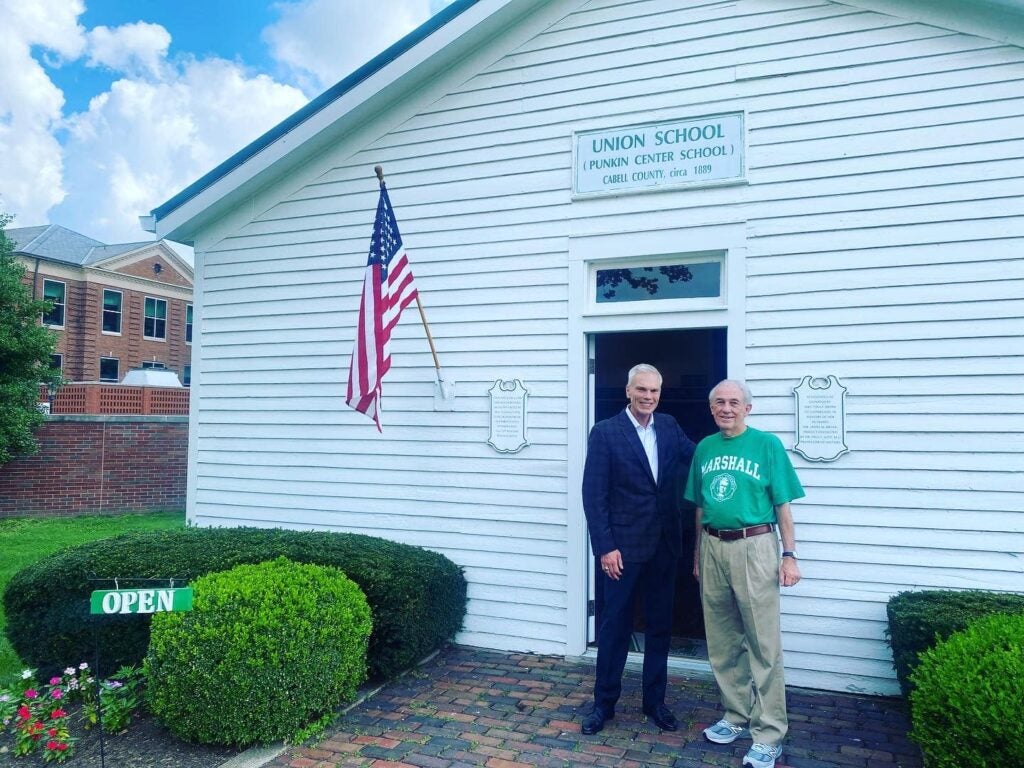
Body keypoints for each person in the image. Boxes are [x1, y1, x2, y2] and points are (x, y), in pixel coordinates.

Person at [685, 379, 804, 768]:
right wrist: (698, 554)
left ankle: (769, 732)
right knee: (722, 640)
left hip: (755, 545)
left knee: (763, 644)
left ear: (747, 408)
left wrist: (789, 556)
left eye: (734, 402)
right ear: (711, 408)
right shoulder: (704, 448)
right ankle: (736, 715)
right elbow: (701, 507)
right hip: (713, 545)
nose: (726, 408)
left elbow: (783, 506)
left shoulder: (767, 445)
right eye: (719, 402)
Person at [581, 363, 696, 735]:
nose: (649, 397)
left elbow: (699, 457)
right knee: (615, 627)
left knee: (660, 628)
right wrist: (605, 547)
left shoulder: (669, 426)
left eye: (655, 391)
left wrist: (737, 443)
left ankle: (655, 703)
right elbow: (593, 495)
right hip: (623, 550)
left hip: (664, 546)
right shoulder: (605, 433)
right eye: (642, 390)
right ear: (628, 391)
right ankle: (604, 704)